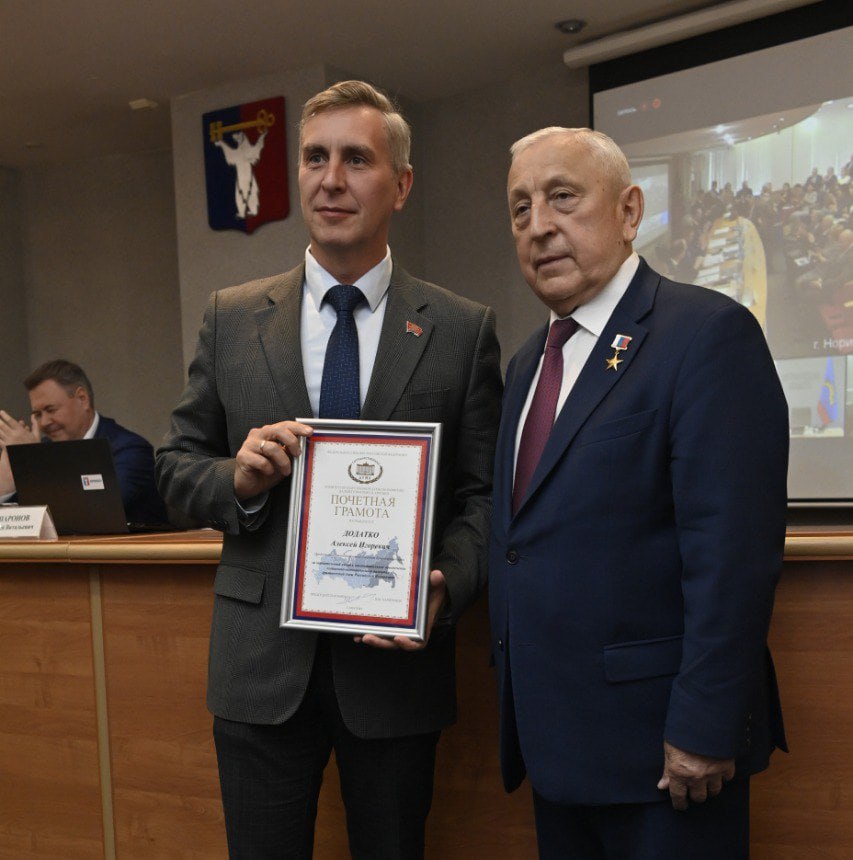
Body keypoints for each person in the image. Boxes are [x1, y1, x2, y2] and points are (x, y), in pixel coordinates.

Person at [155, 80, 502, 859]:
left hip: (394, 678)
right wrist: (236, 481)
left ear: (401, 184)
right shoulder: (231, 317)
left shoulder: (459, 329)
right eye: (314, 157)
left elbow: (484, 494)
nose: (330, 179)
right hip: (257, 670)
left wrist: (446, 581)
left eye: (355, 158)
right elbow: (173, 467)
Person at [489, 127, 788, 859]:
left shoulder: (706, 334)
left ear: (628, 212)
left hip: (665, 759)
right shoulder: (530, 363)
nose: (539, 225)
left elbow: (732, 556)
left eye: (563, 198)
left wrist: (704, 725)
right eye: (520, 208)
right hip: (558, 751)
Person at [0, 358, 166, 524]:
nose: (43, 422)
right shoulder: (43, 449)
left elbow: (97, 510)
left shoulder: (130, 449)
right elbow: (16, 523)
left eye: (51, 410)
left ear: (82, 398)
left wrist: (34, 462)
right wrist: (5, 485)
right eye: (37, 414)